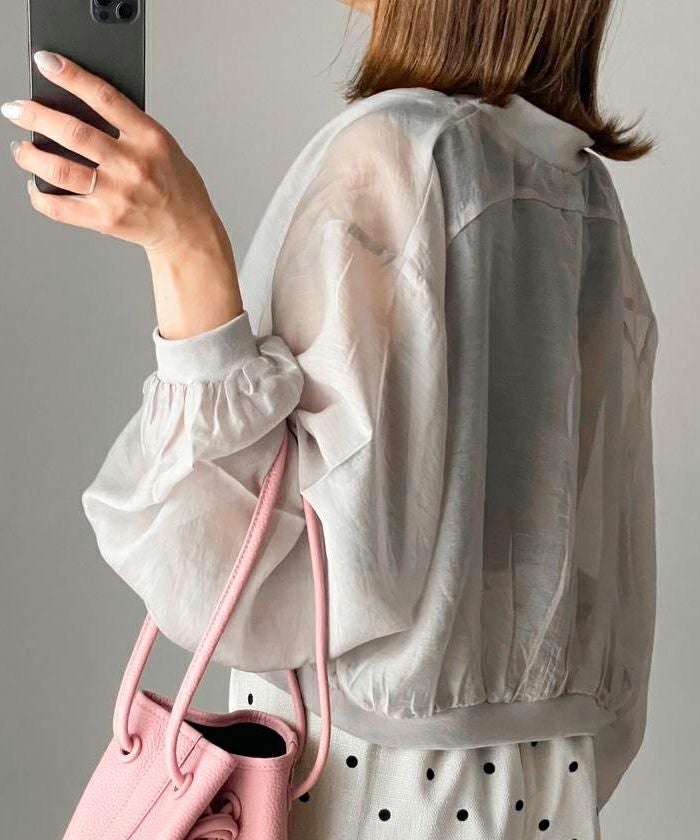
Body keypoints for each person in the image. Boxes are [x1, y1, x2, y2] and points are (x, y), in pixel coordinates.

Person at [2, 0, 659, 837]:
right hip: (545, 785)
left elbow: (261, 565)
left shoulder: (399, 151)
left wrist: (183, 240)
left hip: (365, 783)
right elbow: (596, 565)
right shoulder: (583, 190)